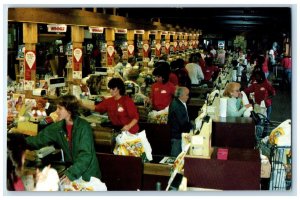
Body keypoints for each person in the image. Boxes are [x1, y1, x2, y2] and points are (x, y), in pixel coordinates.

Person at [26, 95, 102, 185]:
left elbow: (85, 156)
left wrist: (70, 174)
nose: (56, 111)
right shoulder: (58, 127)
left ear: (69, 110)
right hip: (75, 172)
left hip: (89, 175)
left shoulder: (84, 127)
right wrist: (17, 142)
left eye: (59, 108)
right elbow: (38, 140)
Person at [168, 87, 193, 157]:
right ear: (181, 95)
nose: (188, 97)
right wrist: (193, 127)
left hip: (178, 134)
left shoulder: (180, 102)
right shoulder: (177, 106)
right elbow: (183, 123)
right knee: (176, 157)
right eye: (187, 95)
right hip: (177, 136)